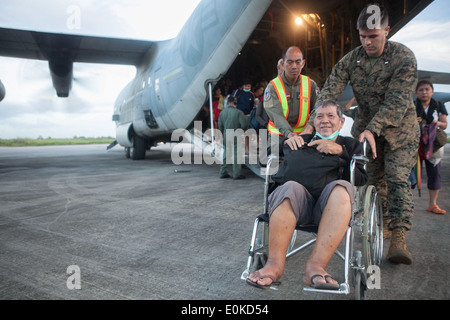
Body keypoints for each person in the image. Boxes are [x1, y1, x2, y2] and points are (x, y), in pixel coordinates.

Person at [314, 4, 419, 264]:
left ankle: (398, 236)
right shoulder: (352, 59)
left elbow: (397, 102)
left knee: (395, 178)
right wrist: (314, 121)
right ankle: (379, 225)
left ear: (387, 30)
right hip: (366, 130)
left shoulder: (403, 58)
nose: (367, 42)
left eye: (373, 36)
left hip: (399, 131)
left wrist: (373, 128)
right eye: (362, 36)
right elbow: (330, 90)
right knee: (370, 181)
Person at [246, 100, 367, 289]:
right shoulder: (303, 139)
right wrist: (287, 140)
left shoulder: (349, 145)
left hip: (330, 209)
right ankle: (274, 266)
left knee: (342, 188)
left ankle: (315, 266)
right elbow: (266, 157)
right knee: (289, 187)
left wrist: (341, 152)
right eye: (320, 116)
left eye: (330, 116)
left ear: (341, 122)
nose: (325, 121)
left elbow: (360, 179)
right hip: (294, 204)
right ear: (314, 122)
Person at [263, 46, 319, 142]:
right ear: (283, 63)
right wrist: (289, 133)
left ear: (303, 63)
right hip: (278, 137)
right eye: (289, 62)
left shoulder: (311, 85)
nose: (294, 66)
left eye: (298, 62)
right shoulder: (272, 87)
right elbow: (276, 115)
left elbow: (318, 108)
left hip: (304, 136)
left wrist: (309, 128)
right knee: (274, 157)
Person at [415, 79, 448, 214]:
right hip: (416, 144)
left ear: (432, 91)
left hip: (433, 145)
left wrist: (436, 123)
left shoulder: (439, 105)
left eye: (427, 89)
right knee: (411, 175)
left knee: (434, 174)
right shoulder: (412, 106)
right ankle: (406, 205)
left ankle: (433, 204)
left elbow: (444, 124)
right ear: (416, 93)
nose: (424, 92)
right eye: (421, 90)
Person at [218, 95, 249, 179]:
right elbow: (244, 124)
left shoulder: (222, 112)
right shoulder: (239, 112)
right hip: (236, 134)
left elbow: (220, 126)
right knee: (236, 154)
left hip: (226, 134)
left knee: (225, 154)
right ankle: (237, 174)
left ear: (228, 103)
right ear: (235, 103)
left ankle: (223, 172)